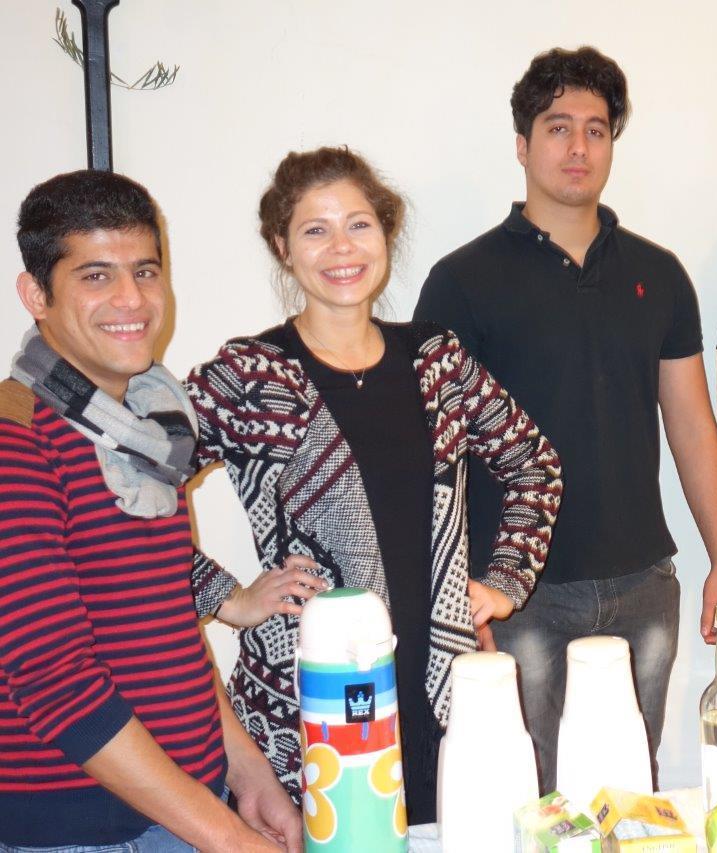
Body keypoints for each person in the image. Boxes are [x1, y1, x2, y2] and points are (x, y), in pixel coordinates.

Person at [185, 147, 562, 823]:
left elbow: (533, 463)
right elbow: (131, 495)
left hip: (443, 694)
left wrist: (505, 582)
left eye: (358, 224)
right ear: (282, 247)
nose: (342, 248)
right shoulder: (252, 376)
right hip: (308, 703)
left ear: (385, 233)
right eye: (315, 229)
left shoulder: (436, 359)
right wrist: (227, 598)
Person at [415, 46, 717, 792]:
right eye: (558, 127)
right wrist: (457, 596)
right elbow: (437, 456)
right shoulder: (461, 281)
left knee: (631, 788)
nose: (578, 147)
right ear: (522, 144)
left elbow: (694, 427)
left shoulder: (658, 274)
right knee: (529, 794)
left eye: (596, 130)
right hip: (516, 592)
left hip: (643, 581)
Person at [0, 170, 299, 851]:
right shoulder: (16, 439)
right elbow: (55, 681)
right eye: (96, 275)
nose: (131, 299)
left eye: (145, 271)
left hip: (185, 808)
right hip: (86, 834)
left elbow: (169, 620)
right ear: (36, 295)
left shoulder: (153, 430)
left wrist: (247, 772)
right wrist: (227, 837)